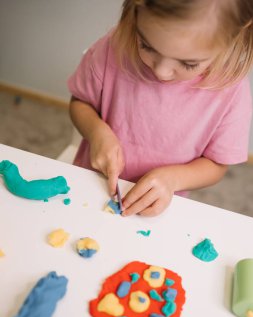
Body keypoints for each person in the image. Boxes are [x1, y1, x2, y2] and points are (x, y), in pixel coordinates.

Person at [68, 0, 253, 217]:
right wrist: (96, 132)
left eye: (188, 63)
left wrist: (173, 179)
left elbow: (216, 165)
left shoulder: (231, 93)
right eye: (146, 45)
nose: (162, 72)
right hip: (89, 186)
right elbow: (79, 103)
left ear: (234, 37)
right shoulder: (114, 47)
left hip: (157, 208)